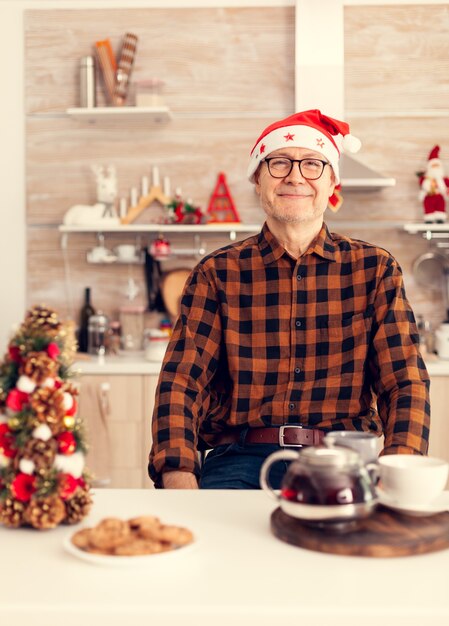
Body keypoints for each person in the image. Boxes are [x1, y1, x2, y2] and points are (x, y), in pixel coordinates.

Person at [148, 109, 430, 490]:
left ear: (332, 183)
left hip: (342, 459)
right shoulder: (216, 273)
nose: (295, 176)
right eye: (279, 163)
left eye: (313, 164)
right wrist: (177, 471)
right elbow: (182, 381)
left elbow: (404, 381)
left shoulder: (374, 270)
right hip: (239, 462)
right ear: (258, 179)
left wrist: (399, 469)